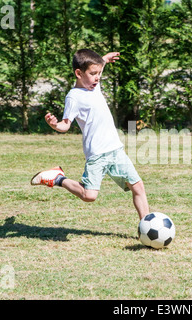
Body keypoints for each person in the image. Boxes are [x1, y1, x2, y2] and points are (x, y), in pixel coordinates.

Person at [31, 49, 149, 220]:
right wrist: (55, 124)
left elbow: (96, 66)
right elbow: (65, 125)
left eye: (99, 73)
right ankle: (57, 178)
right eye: (93, 74)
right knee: (89, 195)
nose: (97, 78)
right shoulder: (74, 97)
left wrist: (105, 60)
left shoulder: (94, 85)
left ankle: (145, 225)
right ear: (78, 73)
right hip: (97, 154)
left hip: (115, 149)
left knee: (138, 187)